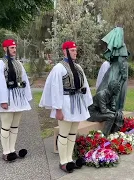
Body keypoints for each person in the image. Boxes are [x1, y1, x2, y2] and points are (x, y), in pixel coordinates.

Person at [39, 41, 93, 173]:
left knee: (73, 133)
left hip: (78, 103)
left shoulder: (78, 67)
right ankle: (63, 161)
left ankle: (69, 159)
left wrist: (86, 103)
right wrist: (58, 109)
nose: (75, 52)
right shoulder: (59, 68)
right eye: (73, 50)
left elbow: (84, 85)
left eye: (76, 50)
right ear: (65, 51)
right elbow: (55, 88)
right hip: (65, 104)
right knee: (63, 133)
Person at [0, 39, 32, 162]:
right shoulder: (0, 64)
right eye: (11, 48)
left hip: (18, 98)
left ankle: (12, 150)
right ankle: (5, 152)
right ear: (5, 49)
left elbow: (24, 80)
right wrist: (2, 100)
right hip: (7, 98)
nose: (14, 50)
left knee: (15, 126)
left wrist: (26, 97)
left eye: (15, 48)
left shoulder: (19, 64)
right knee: (6, 126)